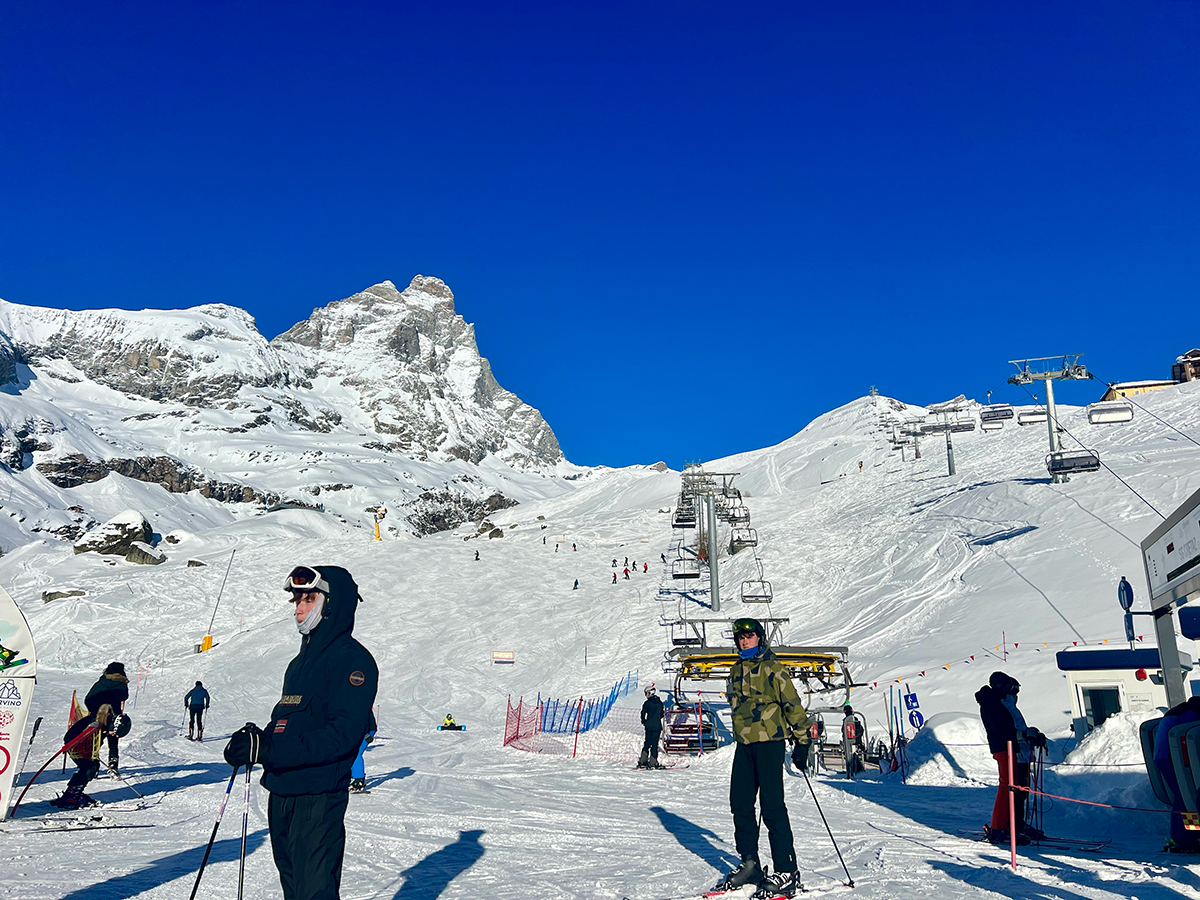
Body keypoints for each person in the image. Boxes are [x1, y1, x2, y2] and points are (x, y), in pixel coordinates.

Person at [223, 565, 378, 900]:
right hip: (282, 793)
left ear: (332, 604)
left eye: (309, 598)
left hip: (317, 798)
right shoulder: (298, 665)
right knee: (294, 891)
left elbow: (342, 735)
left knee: (313, 894)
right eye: (296, 599)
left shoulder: (353, 661)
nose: (299, 607)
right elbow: (286, 722)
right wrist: (255, 742)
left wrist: (271, 751)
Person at [721, 618, 810, 898]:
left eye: (749, 636)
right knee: (740, 804)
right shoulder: (736, 670)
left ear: (760, 638)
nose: (744, 641)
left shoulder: (773, 668)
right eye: (740, 638)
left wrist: (802, 740)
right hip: (744, 745)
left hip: (770, 742)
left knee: (771, 806)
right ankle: (750, 863)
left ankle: (786, 869)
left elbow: (792, 704)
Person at [975, 671, 1045, 845]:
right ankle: (999, 828)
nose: (1014, 691)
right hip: (1005, 748)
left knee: (1021, 788)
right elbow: (1000, 729)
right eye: (1010, 687)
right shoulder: (992, 702)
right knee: (1008, 787)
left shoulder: (1007, 702)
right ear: (999, 686)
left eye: (1015, 688)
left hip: (1019, 749)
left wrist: (1031, 736)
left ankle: (1017, 825)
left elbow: (1015, 726)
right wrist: (1022, 734)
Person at [52, 662, 129, 808]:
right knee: (89, 767)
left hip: (77, 738)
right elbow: (87, 740)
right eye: (115, 733)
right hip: (76, 742)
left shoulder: (103, 716)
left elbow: (89, 699)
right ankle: (71, 797)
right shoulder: (97, 725)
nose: (114, 735)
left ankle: (73, 793)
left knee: (90, 766)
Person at [1153, 697, 1200, 852]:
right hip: (1174, 758)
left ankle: (1179, 836)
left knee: (1181, 798)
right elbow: (1187, 739)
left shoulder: (1181, 710)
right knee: (1186, 798)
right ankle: (1187, 837)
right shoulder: (1191, 715)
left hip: (1163, 756)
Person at [350, 709, 378, 793]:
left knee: (357, 753)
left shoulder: (363, 705)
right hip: (360, 732)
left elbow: (369, 721)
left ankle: (359, 780)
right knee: (351, 753)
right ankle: (352, 776)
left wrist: (369, 733)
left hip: (368, 731)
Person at [638, 685, 665, 769]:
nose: (645, 695)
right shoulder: (660, 703)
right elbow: (661, 714)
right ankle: (653, 762)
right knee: (654, 745)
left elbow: (643, 714)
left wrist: (644, 722)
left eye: (646, 693)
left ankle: (643, 761)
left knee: (647, 743)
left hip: (649, 726)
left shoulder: (647, 703)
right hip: (657, 726)